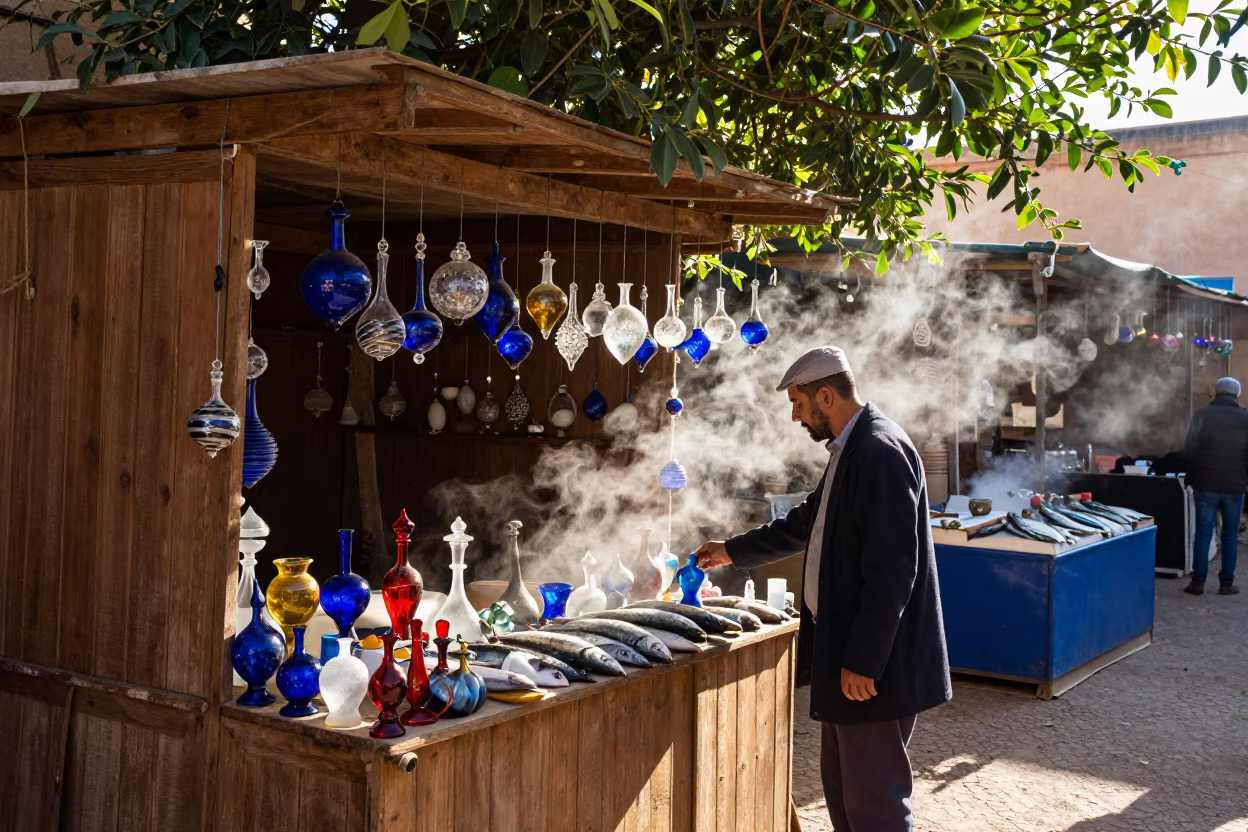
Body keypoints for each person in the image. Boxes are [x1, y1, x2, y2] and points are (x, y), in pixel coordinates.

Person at [695, 346, 951, 832]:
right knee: (844, 794)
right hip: (849, 656)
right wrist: (733, 550)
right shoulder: (851, 448)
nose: (795, 416)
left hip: (873, 667)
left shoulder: (878, 452)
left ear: (826, 396)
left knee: (875, 805)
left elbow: (893, 571)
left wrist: (863, 660)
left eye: (798, 403)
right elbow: (808, 523)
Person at [1182, 376, 1248, 596]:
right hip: (1234, 485)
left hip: (1205, 483)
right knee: (1229, 535)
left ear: (1216, 393)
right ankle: (1226, 583)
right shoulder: (1245, 418)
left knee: (1203, 533)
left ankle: (1198, 581)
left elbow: (1190, 448)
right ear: (1236, 395)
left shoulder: (1202, 415)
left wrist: (1190, 476)